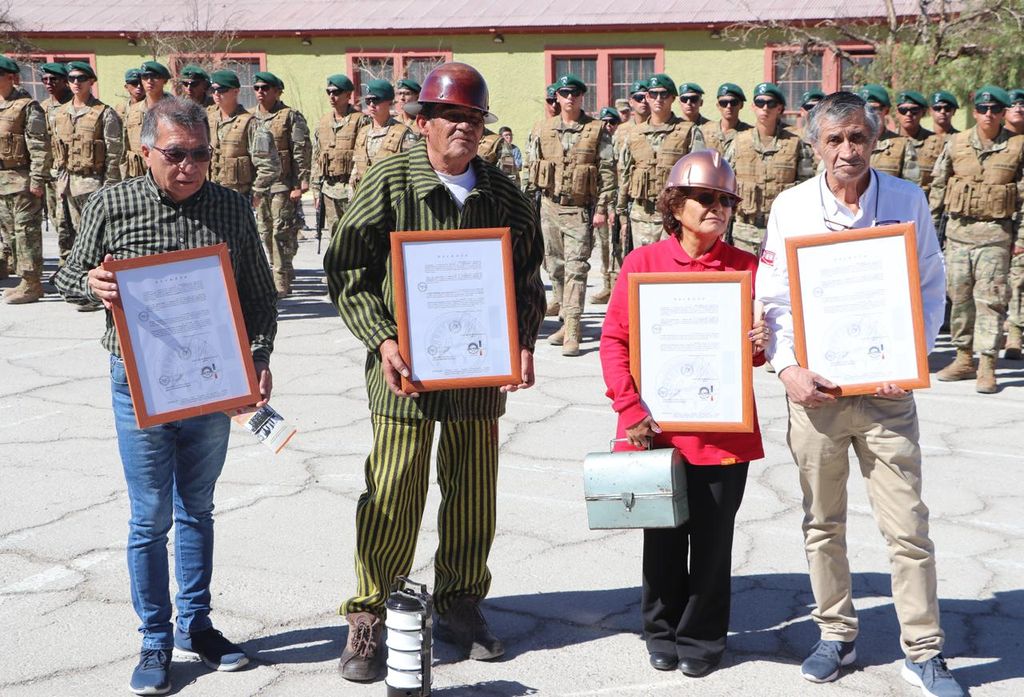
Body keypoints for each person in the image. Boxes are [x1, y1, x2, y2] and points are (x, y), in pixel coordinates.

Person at [324, 61, 545, 682]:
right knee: (394, 490)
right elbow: (347, 269)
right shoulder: (391, 182)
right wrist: (383, 337)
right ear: (423, 121)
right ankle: (372, 609)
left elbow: (527, 277)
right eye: (452, 116)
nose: (465, 129)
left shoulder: (503, 195)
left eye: (474, 119)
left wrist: (524, 340)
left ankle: (461, 601)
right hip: (406, 372)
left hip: (477, 370)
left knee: (474, 493)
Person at [54, 96, 277, 696]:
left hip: (212, 380)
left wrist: (258, 357)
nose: (189, 165)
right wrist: (92, 282)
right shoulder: (112, 203)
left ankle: (196, 625)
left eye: (201, 154)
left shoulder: (231, 208)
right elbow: (67, 278)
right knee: (149, 516)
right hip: (139, 382)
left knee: (196, 508)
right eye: (176, 154)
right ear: (146, 151)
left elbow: (258, 296)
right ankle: (154, 638)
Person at [757, 91, 965, 697]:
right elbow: (772, 299)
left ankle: (923, 652)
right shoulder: (791, 207)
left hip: (886, 393)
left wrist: (912, 355)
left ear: (875, 139)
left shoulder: (905, 199)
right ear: (814, 144)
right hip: (815, 397)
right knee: (822, 523)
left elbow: (930, 285)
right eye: (834, 140)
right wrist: (787, 369)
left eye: (858, 138)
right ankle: (836, 634)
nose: (848, 150)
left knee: (908, 530)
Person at [600, 149, 767, 678]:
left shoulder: (746, 270)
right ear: (676, 205)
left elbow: (756, 356)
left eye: (724, 199)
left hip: (723, 435)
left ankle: (702, 639)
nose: (717, 207)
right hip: (657, 430)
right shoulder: (642, 264)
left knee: (714, 546)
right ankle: (660, 630)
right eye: (704, 198)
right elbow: (614, 341)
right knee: (664, 540)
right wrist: (630, 408)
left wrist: (761, 344)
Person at [931, 85, 1024, 393]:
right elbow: (938, 188)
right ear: (973, 112)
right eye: (983, 109)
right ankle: (963, 357)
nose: (989, 114)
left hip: (996, 236)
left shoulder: (1018, 146)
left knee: (991, 301)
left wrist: (1021, 238)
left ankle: (987, 364)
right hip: (958, 235)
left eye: (995, 110)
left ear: (1002, 113)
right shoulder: (956, 143)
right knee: (959, 299)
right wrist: (930, 231)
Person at [527, 73, 616, 356]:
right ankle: (565, 319)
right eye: (564, 93)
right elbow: (531, 169)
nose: (569, 98)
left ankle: (574, 330)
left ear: (581, 97)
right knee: (554, 266)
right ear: (558, 97)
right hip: (549, 207)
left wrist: (602, 208)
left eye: (575, 94)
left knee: (577, 268)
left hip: (579, 208)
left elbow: (607, 172)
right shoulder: (542, 128)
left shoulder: (597, 130)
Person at [51, 60, 123, 306]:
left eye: (81, 78)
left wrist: (109, 188)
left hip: (93, 184)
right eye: (71, 78)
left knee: (92, 239)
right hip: (66, 183)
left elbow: (115, 154)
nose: (76, 83)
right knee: (66, 236)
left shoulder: (104, 113)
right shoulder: (58, 113)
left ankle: (95, 291)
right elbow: (54, 149)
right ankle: (73, 284)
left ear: (92, 81)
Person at [725, 82, 814, 256]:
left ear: (779, 108)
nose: (765, 108)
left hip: (782, 230)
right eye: (760, 103)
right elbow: (725, 187)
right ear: (753, 107)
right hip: (744, 232)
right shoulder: (738, 141)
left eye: (771, 103)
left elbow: (807, 189)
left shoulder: (795, 144)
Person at [618, 74, 706, 251]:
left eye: (664, 94)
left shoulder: (688, 131)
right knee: (643, 270)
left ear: (673, 98)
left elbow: (699, 176)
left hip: (675, 215)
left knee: (672, 271)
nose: (658, 99)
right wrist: (620, 212)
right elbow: (624, 174)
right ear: (647, 98)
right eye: (653, 94)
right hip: (641, 215)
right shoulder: (634, 134)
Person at [252, 70, 311, 298]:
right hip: (260, 185)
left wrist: (300, 182)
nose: (260, 92)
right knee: (264, 230)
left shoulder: (290, 116)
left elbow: (301, 151)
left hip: (283, 184)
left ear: (277, 92)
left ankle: (281, 280)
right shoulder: (250, 117)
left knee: (281, 231)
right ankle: (281, 267)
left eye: (265, 88)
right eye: (257, 88)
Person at [0, 55, 49, 304]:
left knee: (26, 232)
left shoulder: (27, 106)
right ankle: (23, 279)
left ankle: (32, 283)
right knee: (11, 234)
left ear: (11, 77)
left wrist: (37, 179)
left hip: (22, 179)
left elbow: (39, 146)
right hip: (2, 181)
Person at [206, 70, 279, 202]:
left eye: (222, 89)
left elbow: (269, 165)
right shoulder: (208, 121)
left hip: (238, 197)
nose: (216, 94)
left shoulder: (251, 124)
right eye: (213, 89)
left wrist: (257, 192)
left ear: (235, 91)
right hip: (210, 195)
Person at [311, 73, 364, 233]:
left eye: (336, 92)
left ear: (348, 95)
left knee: (355, 235)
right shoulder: (323, 122)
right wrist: (315, 188)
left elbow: (364, 156)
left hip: (352, 189)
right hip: (329, 189)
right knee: (334, 235)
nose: (332, 96)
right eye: (329, 92)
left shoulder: (360, 120)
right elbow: (316, 157)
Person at [349, 79, 417, 191]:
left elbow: (412, 171)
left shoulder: (403, 134)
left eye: (376, 100)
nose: (371, 105)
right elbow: (356, 170)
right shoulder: (363, 132)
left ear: (389, 102)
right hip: (364, 198)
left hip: (391, 199)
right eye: (368, 100)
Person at [859, 84, 920, 184]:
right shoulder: (849, 144)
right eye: (864, 109)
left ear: (886, 110)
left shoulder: (903, 145)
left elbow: (911, 188)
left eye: (874, 109)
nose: (868, 113)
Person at [39, 62, 72, 246]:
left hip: (71, 170)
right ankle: (65, 256)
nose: (49, 83)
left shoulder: (73, 104)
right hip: (51, 172)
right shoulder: (43, 107)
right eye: (45, 79)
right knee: (55, 217)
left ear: (64, 81)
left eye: (54, 79)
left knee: (72, 219)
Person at [591, 106, 621, 304]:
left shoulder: (621, 141)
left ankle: (616, 286)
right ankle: (607, 285)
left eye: (612, 122)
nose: (608, 126)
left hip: (617, 204)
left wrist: (613, 209)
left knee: (616, 246)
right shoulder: (599, 144)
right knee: (603, 246)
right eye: (605, 122)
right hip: (601, 202)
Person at [123, 61, 171, 179]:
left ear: (164, 81)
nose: (149, 81)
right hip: (138, 175)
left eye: (155, 77)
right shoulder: (132, 111)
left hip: (167, 174)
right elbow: (125, 146)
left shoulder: (176, 109)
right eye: (145, 77)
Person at [894, 90, 945, 198]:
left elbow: (941, 182)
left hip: (924, 207)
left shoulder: (938, 143)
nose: (908, 114)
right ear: (897, 113)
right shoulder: (887, 142)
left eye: (914, 110)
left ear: (923, 112)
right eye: (903, 110)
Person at [1005, 88, 1024, 359]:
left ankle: (1015, 334)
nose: (1019, 107)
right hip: (998, 220)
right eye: (1013, 104)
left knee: (1019, 279)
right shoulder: (999, 142)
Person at [701, 83, 751, 155]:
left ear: (741, 105)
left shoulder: (749, 134)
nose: (729, 106)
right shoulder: (704, 131)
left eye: (733, 102)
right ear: (718, 106)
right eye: (723, 103)